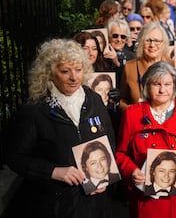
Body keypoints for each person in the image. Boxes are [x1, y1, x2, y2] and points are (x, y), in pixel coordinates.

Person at [4, 39, 116, 218]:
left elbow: (109, 140)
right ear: (49, 73)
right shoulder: (35, 110)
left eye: (78, 69)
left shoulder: (93, 99)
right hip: (56, 205)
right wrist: (53, 172)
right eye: (65, 71)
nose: (74, 77)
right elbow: (14, 157)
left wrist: (105, 175)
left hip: (96, 204)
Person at [116, 61, 176, 218]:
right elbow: (120, 153)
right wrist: (131, 171)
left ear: (175, 86)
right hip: (145, 200)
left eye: (168, 84)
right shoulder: (132, 114)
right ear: (146, 86)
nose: (162, 90)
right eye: (156, 84)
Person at [119, 22, 172, 110]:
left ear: (164, 43)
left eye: (156, 41)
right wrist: (131, 109)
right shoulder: (130, 67)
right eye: (147, 40)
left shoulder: (172, 65)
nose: (152, 45)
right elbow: (122, 100)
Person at [106, 18, 135, 86]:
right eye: (115, 36)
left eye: (123, 37)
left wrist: (117, 63)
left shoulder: (132, 57)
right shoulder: (101, 56)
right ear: (108, 36)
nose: (119, 39)